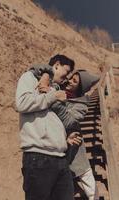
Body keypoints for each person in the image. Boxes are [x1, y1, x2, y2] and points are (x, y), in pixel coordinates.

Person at [15, 54, 81, 200]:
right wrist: (53, 97)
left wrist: (65, 138)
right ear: (56, 65)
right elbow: (22, 103)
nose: (67, 78)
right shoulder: (30, 78)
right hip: (39, 158)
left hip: (61, 161)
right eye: (66, 71)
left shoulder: (54, 89)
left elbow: (51, 121)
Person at [37, 69, 100, 200]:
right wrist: (46, 76)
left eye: (75, 81)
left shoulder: (82, 106)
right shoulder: (57, 87)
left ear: (80, 87)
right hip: (53, 146)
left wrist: (52, 97)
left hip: (74, 151)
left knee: (89, 183)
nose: (70, 81)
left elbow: (69, 121)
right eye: (71, 77)